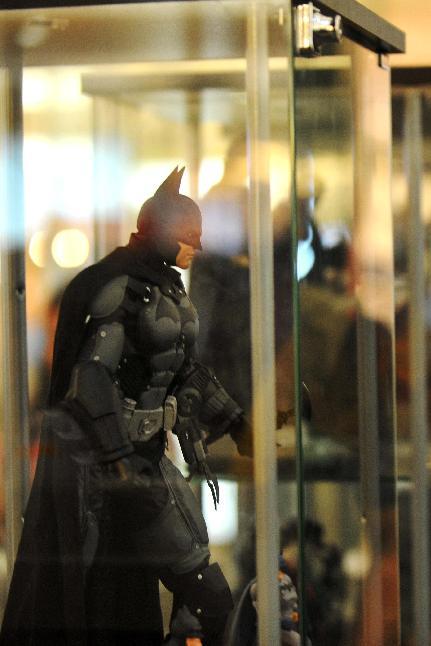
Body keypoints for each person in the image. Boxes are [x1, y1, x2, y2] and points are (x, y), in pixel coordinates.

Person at [1, 167, 252, 645]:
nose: (194, 247)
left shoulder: (167, 291)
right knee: (190, 581)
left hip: (148, 459)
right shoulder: (120, 292)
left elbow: (185, 374)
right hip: (113, 470)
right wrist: (117, 461)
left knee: (192, 579)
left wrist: (237, 424)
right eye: (186, 236)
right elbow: (92, 378)